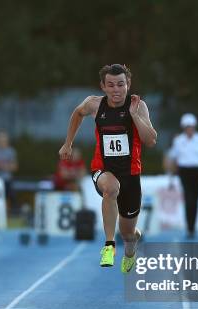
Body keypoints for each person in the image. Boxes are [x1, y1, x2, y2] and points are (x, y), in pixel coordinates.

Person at [59, 64, 157, 273]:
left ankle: (131, 248)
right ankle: (109, 246)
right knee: (110, 188)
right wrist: (68, 143)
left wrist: (135, 116)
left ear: (128, 85)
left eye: (121, 85)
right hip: (103, 169)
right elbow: (77, 114)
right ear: (103, 87)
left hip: (131, 175)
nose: (116, 90)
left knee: (128, 233)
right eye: (111, 85)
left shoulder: (138, 106)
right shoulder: (94, 104)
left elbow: (150, 141)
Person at [164, 113, 198, 239]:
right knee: (189, 199)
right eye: (187, 127)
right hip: (184, 171)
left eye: (191, 126)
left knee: (195, 200)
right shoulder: (178, 140)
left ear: (194, 127)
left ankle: (192, 227)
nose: (189, 129)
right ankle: (190, 228)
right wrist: (170, 175)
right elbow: (173, 158)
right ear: (183, 128)